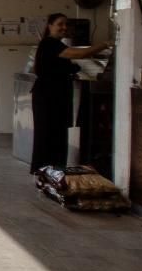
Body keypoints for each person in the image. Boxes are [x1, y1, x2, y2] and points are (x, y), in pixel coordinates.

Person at [31, 14, 110, 173]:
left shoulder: (53, 45)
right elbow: (78, 54)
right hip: (48, 97)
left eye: (66, 24)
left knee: (57, 133)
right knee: (49, 133)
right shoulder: (50, 43)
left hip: (54, 96)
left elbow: (38, 67)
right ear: (50, 25)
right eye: (60, 24)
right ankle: (47, 169)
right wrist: (105, 44)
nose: (64, 27)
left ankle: (52, 169)